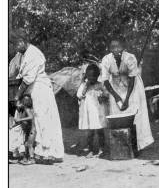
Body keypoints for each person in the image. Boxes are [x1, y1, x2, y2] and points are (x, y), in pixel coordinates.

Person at [9, 29, 64, 163]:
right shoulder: (20, 54)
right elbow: (12, 70)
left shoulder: (34, 54)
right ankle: (37, 153)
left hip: (40, 89)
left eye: (15, 44)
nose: (14, 47)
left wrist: (16, 97)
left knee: (43, 121)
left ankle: (48, 153)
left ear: (22, 41)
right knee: (36, 123)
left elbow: (28, 79)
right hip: (31, 91)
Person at [100, 38, 154, 151]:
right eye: (112, 47)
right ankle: (122, 145)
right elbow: (105, 80)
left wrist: (127, 98)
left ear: (123, 47)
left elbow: (132, 79)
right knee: (117, 113)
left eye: (118, 46)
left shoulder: (130, 57)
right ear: (110, 49)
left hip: (132, 87)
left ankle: (138, 144)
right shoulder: (106, 60)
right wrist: (116, 96)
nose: (115, 49)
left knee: (135, 113)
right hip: (115, 87)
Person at [76, 63, 108, 158]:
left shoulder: (100, 85)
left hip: (98, 112)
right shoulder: (84, 85)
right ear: (86, 76)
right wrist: (86, 86)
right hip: (88, 113)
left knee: (100, 131)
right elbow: (79, 95)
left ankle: (102, 149)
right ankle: (91, 150)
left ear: (98, 76)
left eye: (94, 76)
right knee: (90, 132)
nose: (92, 78)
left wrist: (103, 97)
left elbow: (106, 94)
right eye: (89, 76)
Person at [9, 95, 35, 164]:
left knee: (29, 145)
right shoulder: (25, 109)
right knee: (26, 144)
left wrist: (20, 119)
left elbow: (31, 117)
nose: (19, 104)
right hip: (28, 130)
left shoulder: (27, 109)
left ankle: (31, 159)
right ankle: (26, 158)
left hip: (31, 130)